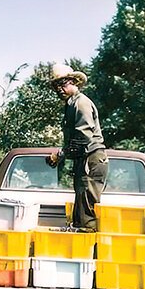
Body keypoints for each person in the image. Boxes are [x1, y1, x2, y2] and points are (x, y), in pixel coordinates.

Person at [46, 63, 108, 231]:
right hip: (85, 160)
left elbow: (82, 138)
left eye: (63, 83)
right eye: (56, 86)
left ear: (74, 81)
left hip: (91, 158)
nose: (59, 89)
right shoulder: (71, 105)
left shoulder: (81, 103)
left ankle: (85, 251)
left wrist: (60, 155)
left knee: (86, 216)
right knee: (81, 211)